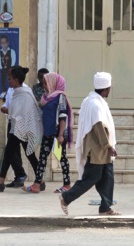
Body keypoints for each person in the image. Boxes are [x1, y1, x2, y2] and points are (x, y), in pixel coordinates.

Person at [59, 72, 120, 216]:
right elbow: (98, 127)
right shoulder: (95, 104)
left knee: (107, 178)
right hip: (97, 149)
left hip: (101, 149)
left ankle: (106, 207)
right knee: (90, 178)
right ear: (106, 88)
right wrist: (108, 146)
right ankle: (66, 197)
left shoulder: (94, 100)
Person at [0, 66, 43, 192]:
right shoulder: (17, 92)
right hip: (18, 127)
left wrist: (10, 111)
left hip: (22, 128)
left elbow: (26, 111)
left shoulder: (25, 93)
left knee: (10, 153)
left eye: (10, 79)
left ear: (16, 80)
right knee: (28, 154)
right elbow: (15, 109)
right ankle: (41, 180)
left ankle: (0, 182)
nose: (9, 81)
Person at [23, 72, 73, 193]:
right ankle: (37, 184)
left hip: (57, 134)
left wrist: (61, 135)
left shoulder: (60, 96)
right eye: (44, 83)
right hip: (47, 133)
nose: (44, 85)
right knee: (42, 159)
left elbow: (62, 116)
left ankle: (67, 185)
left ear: (53, 83)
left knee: (62, 158)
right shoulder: (46, 96)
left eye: (46, 83)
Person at [0, 34, 16, 98]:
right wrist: (1, 67)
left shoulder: (11, 51)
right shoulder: (0, 52)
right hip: (3, 69)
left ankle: (11, 91)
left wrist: (11, 67)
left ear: (8, 43)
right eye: (2, 43)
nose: (4, 44)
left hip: (10, 68)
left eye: (5, 43)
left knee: (10, 79)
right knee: (3, 80)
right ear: (0, 44)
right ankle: (4, 92)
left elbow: (13, 59)